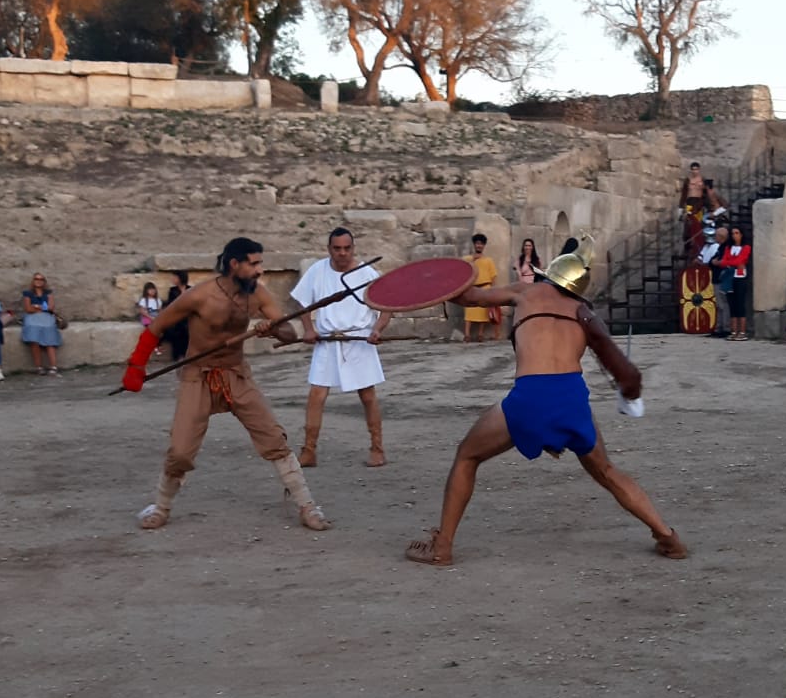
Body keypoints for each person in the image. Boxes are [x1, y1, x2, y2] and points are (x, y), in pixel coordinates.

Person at [404, 246, 684, 566]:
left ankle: (442, 547)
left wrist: (430, 284)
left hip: (531, 396)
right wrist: (629, 398)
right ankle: (668, 537)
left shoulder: (525, 291)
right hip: (571, 400)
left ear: (549, 274)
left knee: (467, 456)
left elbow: (469, 298)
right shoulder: (584, 312)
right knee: (607, 471)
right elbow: (628, 374)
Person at [122, 237, 329, 533]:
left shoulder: (258, 294)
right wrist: (136, 366)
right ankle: (161, 506)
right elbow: (156, 327)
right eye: (254, 263)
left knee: (274, 439)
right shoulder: (200, 295)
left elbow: (290, 332)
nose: (260, 269)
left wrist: (272, 330)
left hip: (236, 374)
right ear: (235, 264)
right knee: (180, 451)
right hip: (198, 375)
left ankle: (307, 505)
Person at [294, 227, 395, 469]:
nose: (342, 253)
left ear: (353, 248)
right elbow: (302, 301)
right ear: (329, 249)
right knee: (316, 396)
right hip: (327, 341)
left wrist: (377, 330)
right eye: (337, 248)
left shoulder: (366, 273)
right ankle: (309, 451)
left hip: (358, 340)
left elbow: (387, 306)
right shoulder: (317, 270)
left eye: (346, 248)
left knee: (368, 396)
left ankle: (377, 448)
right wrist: (309, 328)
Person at [19, 273, 64, 374]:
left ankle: (53, 366)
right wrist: (42, 307)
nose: (38, 281)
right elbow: (28, 308)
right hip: (32, 319)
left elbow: (51, 307)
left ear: (44, 281)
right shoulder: (28, 293)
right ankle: (39, 367)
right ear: (33, 281)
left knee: (50, 340)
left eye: (41, 279)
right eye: (36, 279)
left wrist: (36, 306)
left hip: (46, 318)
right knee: (34, 340)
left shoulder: (48, 293)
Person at [464, 233, 500, 343]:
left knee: (483, 312)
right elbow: (463, 270)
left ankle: (480, 334)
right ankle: (467, 334)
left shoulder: (489, 260)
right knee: (469, 312)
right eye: (477, 243)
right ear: (474, 245)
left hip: (485, 287)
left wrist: (493, 290)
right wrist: (473, 260)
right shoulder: (467, 258)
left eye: (481, 244)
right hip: (472, 287)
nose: (479, 246)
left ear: (484, 246)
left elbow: (493, 276)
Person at [679, 163, 722, 252]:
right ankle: (688, 245)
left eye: (696, 169)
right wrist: (680, 208)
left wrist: (709, 205)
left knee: (698, 224)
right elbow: (684, 194)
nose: (695, 171)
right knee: (689, 223)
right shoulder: (688, 180)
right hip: (690, 203)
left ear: (699, 169)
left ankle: (699, 245)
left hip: (699, 203)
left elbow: (707, 192)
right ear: (691, 170)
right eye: (693, 169)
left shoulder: (702, 179)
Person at [720, 224, 752, 340]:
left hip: (740, 277)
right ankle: (733, 331)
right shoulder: (729, 247)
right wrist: (732, 263)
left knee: (740, 304)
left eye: (737, 233)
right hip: (729, 277)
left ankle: (742, 331)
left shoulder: (746, 247)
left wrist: (731, 262)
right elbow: (723, 261)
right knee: (731, 304)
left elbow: (741, 260)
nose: (734, 236)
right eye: (733, 233)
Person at [161, 270, 192, 364]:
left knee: (188, 329)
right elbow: (171, 305)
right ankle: (179, 356)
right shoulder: (172, 290)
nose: (173, 279)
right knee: (178, 329)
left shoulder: (190, 289)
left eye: (175, 277)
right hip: (177, 316)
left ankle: (187, 355)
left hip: (189, 316)